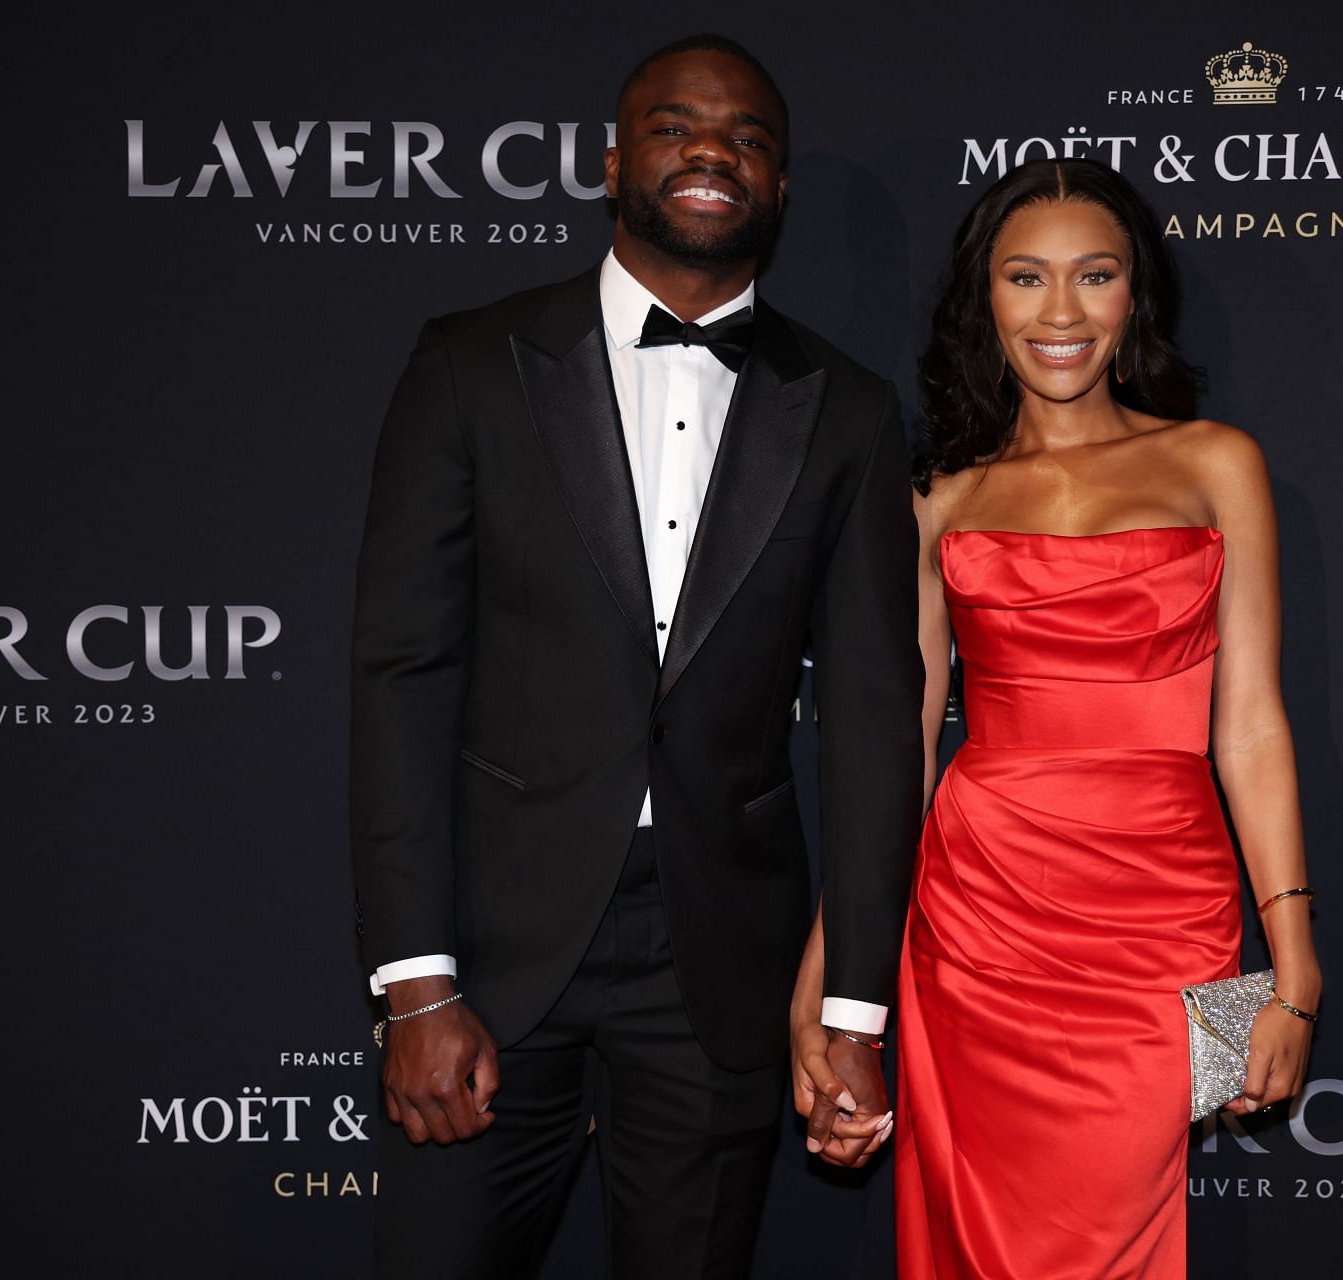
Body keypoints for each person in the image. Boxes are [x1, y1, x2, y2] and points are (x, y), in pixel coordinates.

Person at [349, 33, 922, 1278]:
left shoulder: (851, 409)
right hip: (493, 949)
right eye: (676, 126)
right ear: (613, 162)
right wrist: (415, 981)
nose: (713, 149)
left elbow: (878, 725)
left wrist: (854, 1011)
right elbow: (403, 678)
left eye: (749, 138)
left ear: (777, 190)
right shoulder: (470, 365)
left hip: (717, 959)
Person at [897, 158, 1322, 1277]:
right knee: (983, 1238)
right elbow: (901, 749)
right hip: (976, 920)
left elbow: (1253, 731)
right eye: (1025, 277)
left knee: (1134, 1220)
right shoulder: (944, 493)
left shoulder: (1216, 462)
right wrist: (829, 975)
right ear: (983, 299)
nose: (1061, 312)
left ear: (1135, 296)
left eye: (1096, 275)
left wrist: (1293, 971)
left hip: (1171, 913)